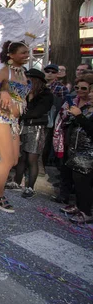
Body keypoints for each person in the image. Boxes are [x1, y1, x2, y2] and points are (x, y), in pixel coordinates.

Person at [0, 2, 46, 213]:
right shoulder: (3, 72)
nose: (28, 55)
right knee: (6, 160)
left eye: (28, 52)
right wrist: (3, 93)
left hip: (14, 122)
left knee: (13, 160)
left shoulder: (23, 73)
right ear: (12, 53)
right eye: (23, 52)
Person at [11, 69, 54, 198]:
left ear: (36, 81)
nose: (26, 82)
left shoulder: (46, 95)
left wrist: (20, 114)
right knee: (21, 157)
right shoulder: (24, 93)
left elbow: (38, 112)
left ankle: (30, 187)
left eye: (29, 80)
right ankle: (17, 182)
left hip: (37, 128)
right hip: (23, 127)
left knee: (32, 158)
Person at [52, 75, 93, 205]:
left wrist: (79, 115)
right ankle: (64, 196)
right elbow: (61, 117)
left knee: (82, 178)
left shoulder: (89, 106)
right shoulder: (73, 100)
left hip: (86, 146)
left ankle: (83, 208)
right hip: (69, 138)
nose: (80, 90)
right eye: (77, 87)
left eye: (84, 88)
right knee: (66, 169)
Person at [61, 87, 93, 224]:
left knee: (84, 181)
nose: (90, 94)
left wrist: (79, 116)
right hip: (76, 149)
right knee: (76, 179)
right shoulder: (87, 108)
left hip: (89, 152)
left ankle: (86, 212)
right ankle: (79, 206)